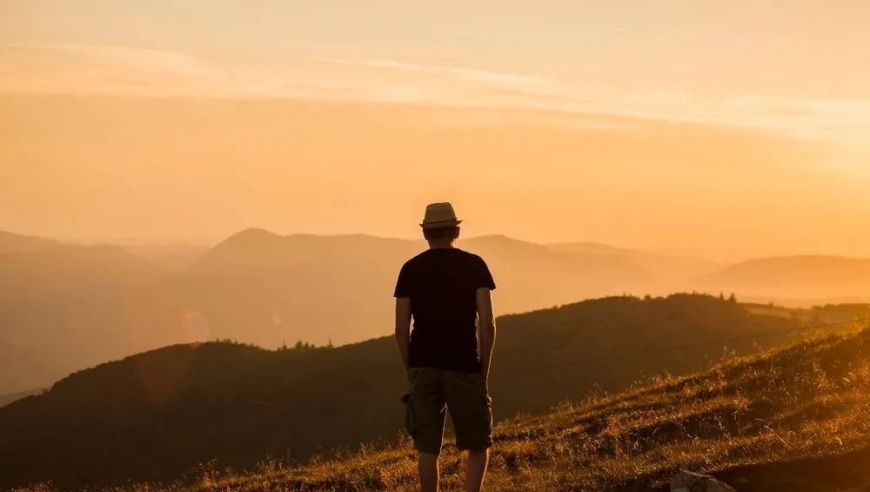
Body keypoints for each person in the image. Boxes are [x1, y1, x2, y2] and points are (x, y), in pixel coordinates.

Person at [394, 202, 497, 492]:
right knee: (477, 443)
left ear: (426, 234)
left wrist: (412, 369)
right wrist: (482, 371)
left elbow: (401, 331)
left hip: (424, 366)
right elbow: (487, 324)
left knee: (428, 449)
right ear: (457, 231)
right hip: (465, 365)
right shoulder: (475, 265)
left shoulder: (410, 269)